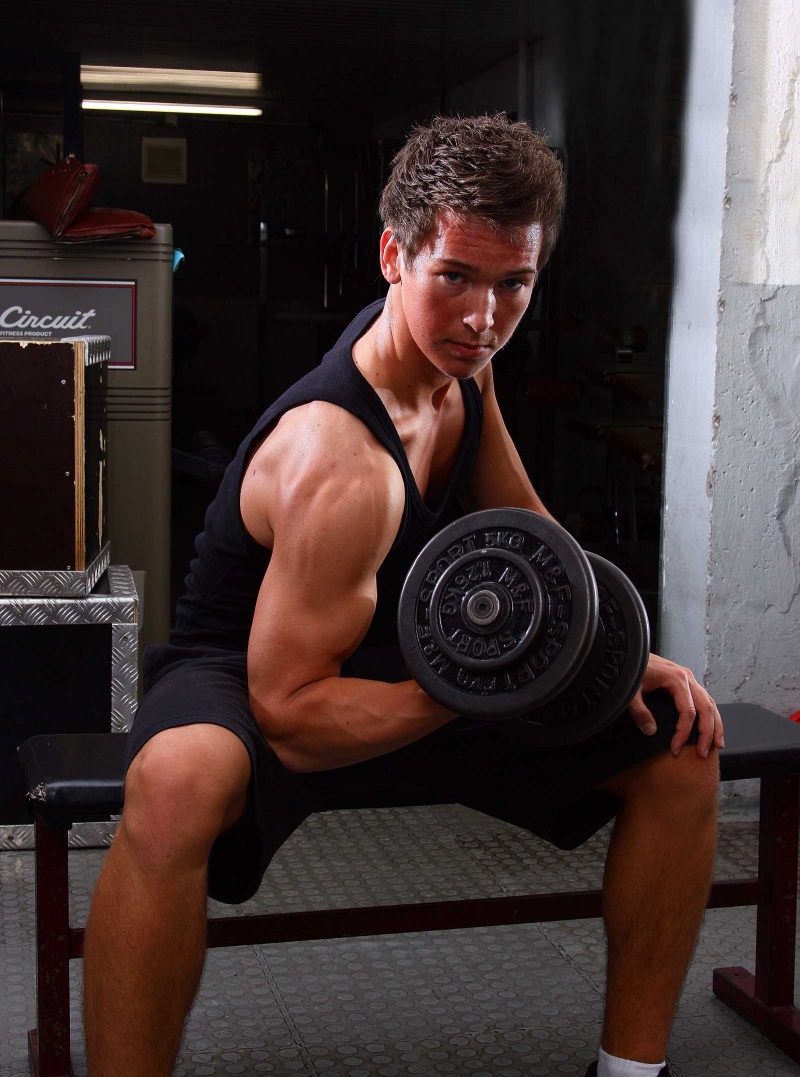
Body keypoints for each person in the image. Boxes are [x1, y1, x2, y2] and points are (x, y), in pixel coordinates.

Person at [83, 114, 723, 1077]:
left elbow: (527, 529)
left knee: (680, 752)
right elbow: (290, 713)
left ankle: (631, 1070)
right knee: (178, 783)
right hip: (259, 668)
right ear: (394, 254)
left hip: (411, 655)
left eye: (514, 284)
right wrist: (482, 686)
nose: (484, 315)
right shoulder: (339, 461)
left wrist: (615, 653)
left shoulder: (465, 366)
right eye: (455, 278)